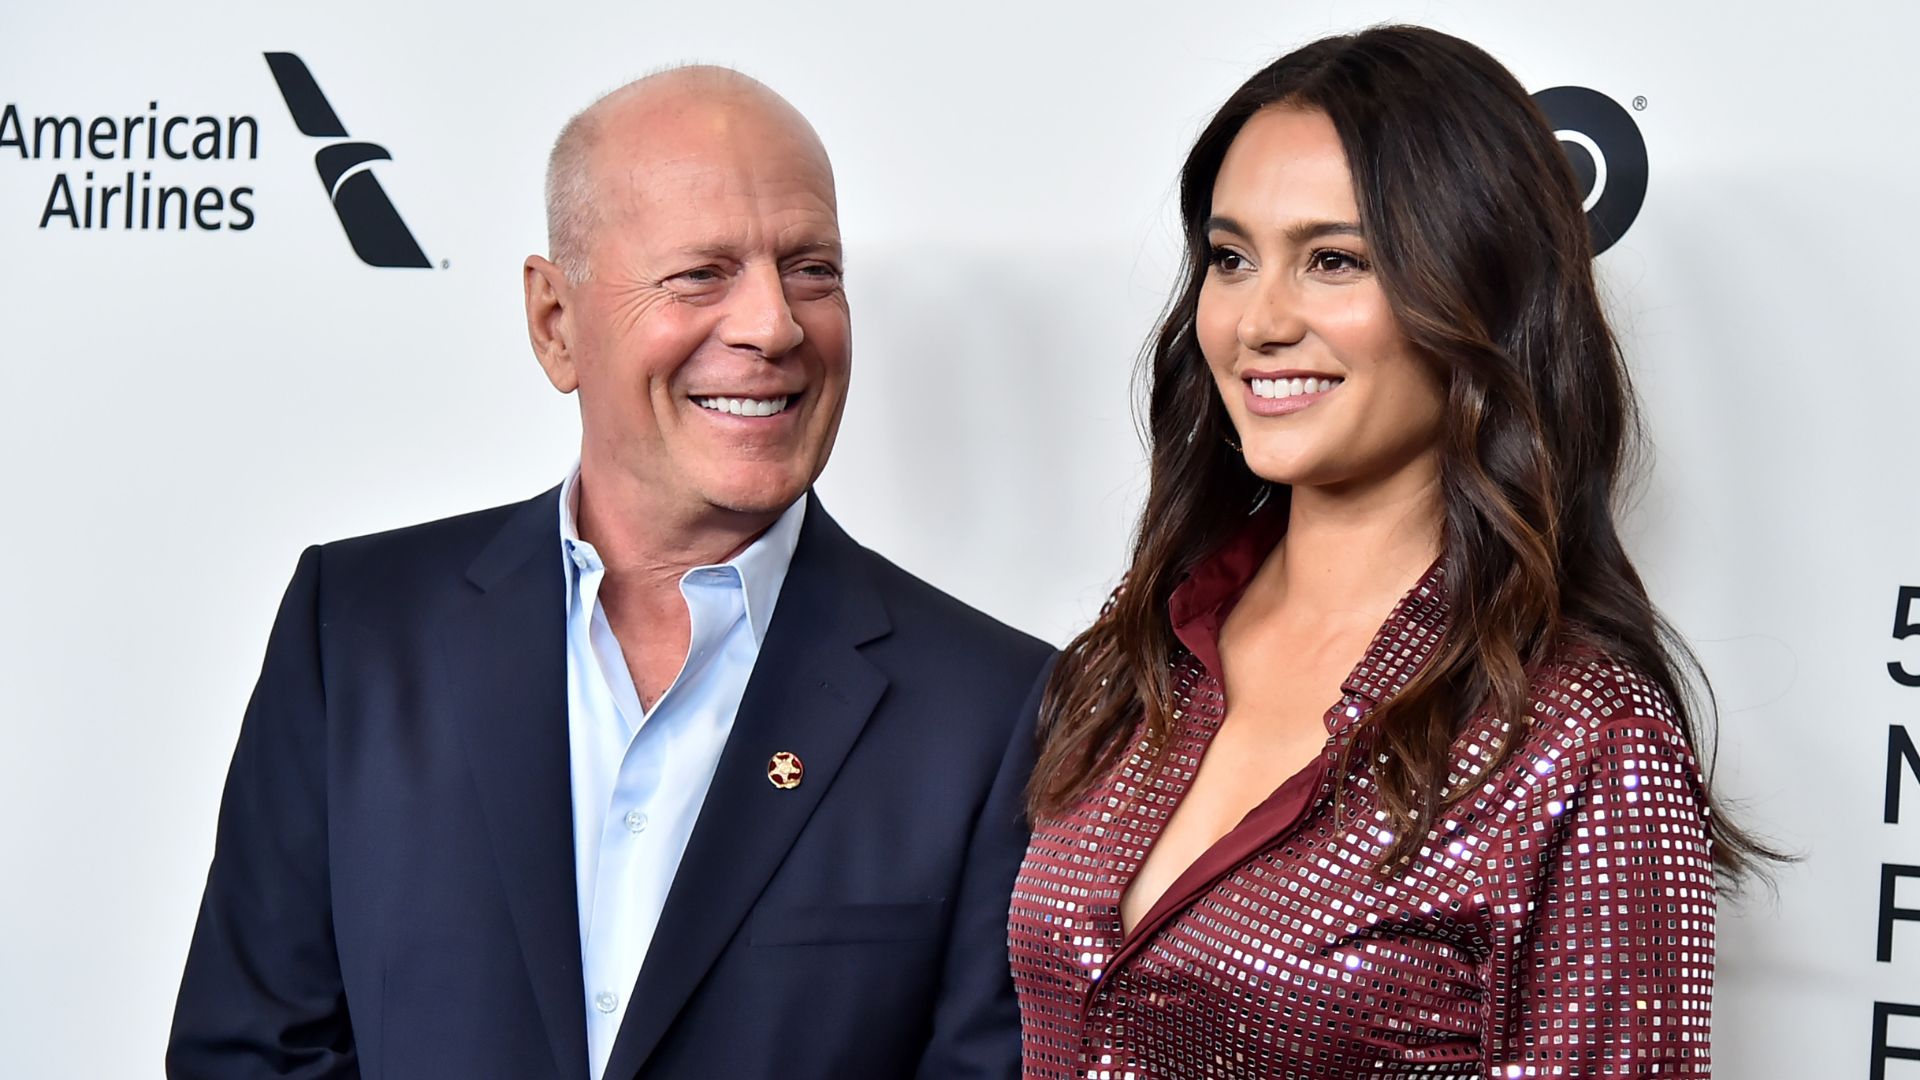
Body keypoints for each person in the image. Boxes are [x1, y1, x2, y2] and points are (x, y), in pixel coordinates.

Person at [168, 67, 1052, 1080]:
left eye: (811, 269)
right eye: (700, 274)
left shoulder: (996, 709)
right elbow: (249, 1056)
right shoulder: (358, 632)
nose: (775, 324)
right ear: (555, 323)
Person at [1010, 26, 1776, 1079]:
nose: (1257, 320)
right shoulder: (1133, 653)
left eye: (1334, 261)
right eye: (1231, 259)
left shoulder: (1581, 744)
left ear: (1482, 293)